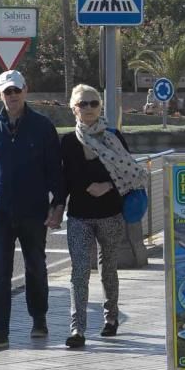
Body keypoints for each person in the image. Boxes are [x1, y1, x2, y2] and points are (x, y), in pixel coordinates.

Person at [0, 70, 65, 351]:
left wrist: (57, 205)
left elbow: (55, 172)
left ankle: (39, 318)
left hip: (33, 211)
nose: (12, 96)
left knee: (35, 265)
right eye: (6, 92)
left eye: (16, 90)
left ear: (26, 90)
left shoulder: (42, 127)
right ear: (0, 95)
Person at [60, 84, 146, 348]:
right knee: (79, 272)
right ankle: (78, 329)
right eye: (82, 104)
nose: (88, 108)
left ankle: (111, 318)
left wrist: (107, 186)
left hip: (110, 212)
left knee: (108, 267)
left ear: (100, 107)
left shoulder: (113, 136)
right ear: (73, 109)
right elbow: (66, 176)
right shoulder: (67, 141)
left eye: (93, 103)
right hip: (79, 215)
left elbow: (128, 171)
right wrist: (55, 208)